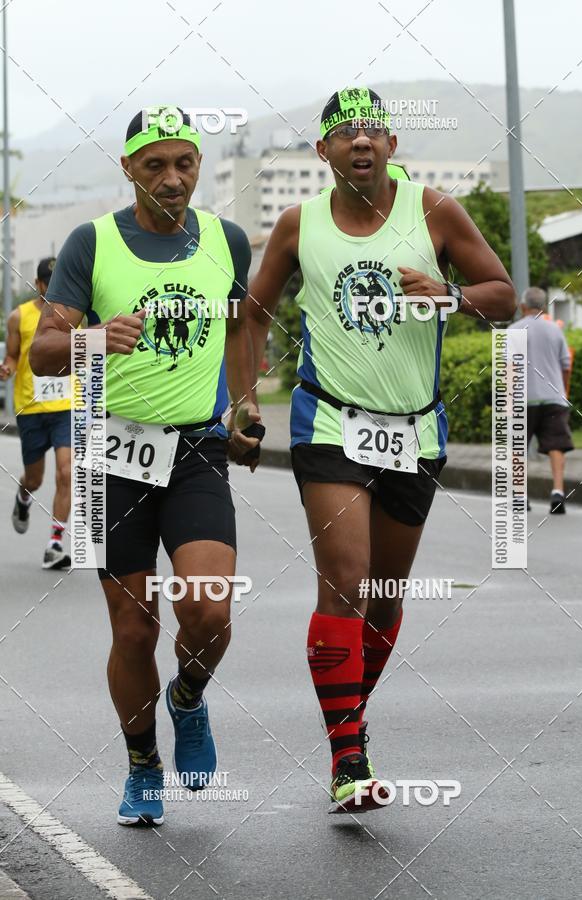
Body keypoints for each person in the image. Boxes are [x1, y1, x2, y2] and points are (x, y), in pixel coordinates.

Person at [246, 87, 516, 813]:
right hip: (329, 423)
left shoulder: (434, 211)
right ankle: (348, 758)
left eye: (372, 131)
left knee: (386, 597)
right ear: (323, 151)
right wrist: (246, 398)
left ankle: (350, 716)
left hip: (414, 431)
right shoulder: (298, 224)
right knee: (347, 581)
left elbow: (503, 293)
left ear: (392, 145)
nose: (360, 141)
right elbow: (254, 310)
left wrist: (450, 295)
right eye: (345, 133)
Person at [30, 107, 262, 827]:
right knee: (134, 631)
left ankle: (187, 697)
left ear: (199, 166)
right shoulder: (91, 242)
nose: (171, 178)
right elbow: (43, 355)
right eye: (154, 165)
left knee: (209, 609)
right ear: (128, 167)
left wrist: (245, 407)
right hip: (112, 454)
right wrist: (95, 338)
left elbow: (238, 329)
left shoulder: (226, 240)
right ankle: (141, 764)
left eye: (183, 163)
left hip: (195, 450)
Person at [0, 257, 72, 569]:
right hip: (31, 408)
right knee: (35, 478)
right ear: (39, 284)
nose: (53, 288)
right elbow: (13, 356)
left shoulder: (75, 314)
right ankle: (23, 496)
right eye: (48, 283)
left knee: (66, 472)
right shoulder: (19, 316)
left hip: (66, 407)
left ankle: (55, 544)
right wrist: (7, 368)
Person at [509, 287, 573, 514]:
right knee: (557, 445)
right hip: (553, 397)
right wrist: (563, 391)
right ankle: (558, 492)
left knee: (518, 447)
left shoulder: (514, 330)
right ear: (544, 307)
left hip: (523, 399)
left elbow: (509, 369)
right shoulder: (555, 330)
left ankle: (520, 496)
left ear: (523, 306)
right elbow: (566, 365)